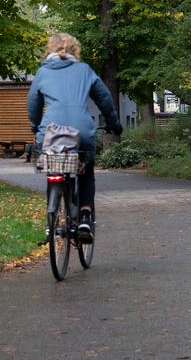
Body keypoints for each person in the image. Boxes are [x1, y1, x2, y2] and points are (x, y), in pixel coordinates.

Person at [27, 33, 122, 240]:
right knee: (86, 172)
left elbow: (33, 103)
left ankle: (50, 223)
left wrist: (36, 129)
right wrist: (114, 125)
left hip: (50, 133)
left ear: (49, 50)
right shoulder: (84, 70)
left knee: (53, 170)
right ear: (74, 50)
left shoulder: (42, 73)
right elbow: (104, 99)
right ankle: (86, 217)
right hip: (81, 134)